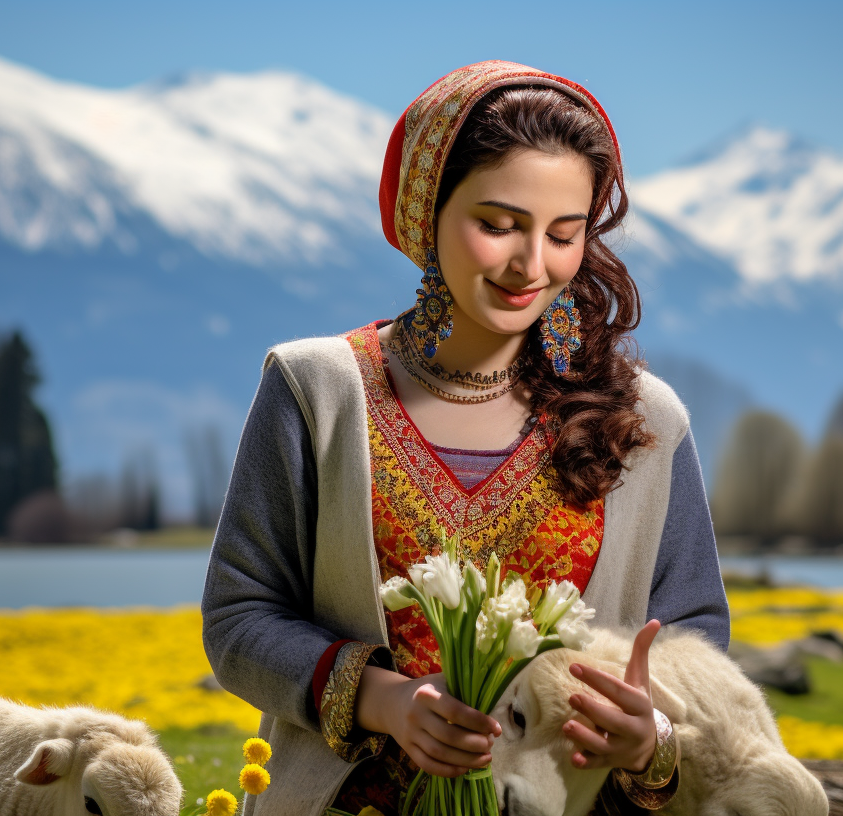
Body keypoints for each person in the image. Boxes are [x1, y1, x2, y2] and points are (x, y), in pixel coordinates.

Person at [201, 61, 729, 816]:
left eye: (564, 234)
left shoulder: (646, 421)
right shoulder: (317, 390)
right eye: (499, 225)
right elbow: (239, 617)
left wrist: (652, 739)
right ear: (427, 216)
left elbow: (694, 640)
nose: (532, 265)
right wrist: (384, 701)